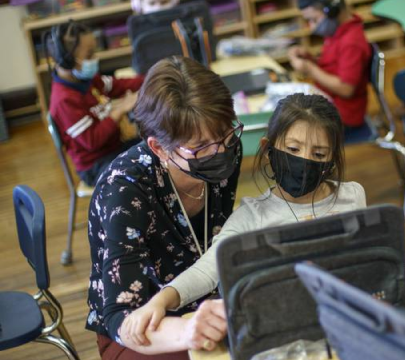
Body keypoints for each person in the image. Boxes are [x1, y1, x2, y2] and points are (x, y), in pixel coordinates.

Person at [117, 93, 367, 345]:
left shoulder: (352, 195)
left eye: (319, 154)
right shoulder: (251, 216)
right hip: (288, 335)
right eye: (293, 149)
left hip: (347, 323)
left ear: (332, 159)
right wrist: (160, 301)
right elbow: (208, 270)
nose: (305, 160)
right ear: (268, 149)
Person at [86, 56, 243, 359]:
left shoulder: (223, 154)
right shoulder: (124, 190)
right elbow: (121, 317)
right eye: (200, 147)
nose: (220, 151)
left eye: (225, 134)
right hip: (146, 325)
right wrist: (189, 330)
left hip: (206, 298)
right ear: (159, 148)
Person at [48, 20, 144, 186]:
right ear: (69, 60)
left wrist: (151, 77)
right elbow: (93, 141)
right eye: (89, 54)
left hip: (114, 150)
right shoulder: (64, 100)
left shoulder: (87, 80)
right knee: (151, 164)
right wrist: (120, 109)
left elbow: (118, 85)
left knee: (157, 144)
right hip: (95, 166)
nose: (94, 58)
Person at [287, 0, 371, 130]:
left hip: (343, 115)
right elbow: (332, 67)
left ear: (332, 12)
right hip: (328, 101)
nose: (312, 27)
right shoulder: (336, 31)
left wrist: (310, 68)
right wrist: (309, 58)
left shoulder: (351, 43)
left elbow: (346, 89)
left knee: (286, 124)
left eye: (314, 19)